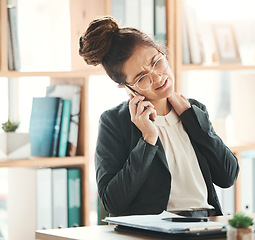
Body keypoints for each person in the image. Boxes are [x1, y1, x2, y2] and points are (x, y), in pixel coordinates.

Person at [79, 16, 239, 217]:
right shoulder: (114, 122)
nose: (157, 77)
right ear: (125, 86)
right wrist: (148, 140)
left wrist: (192, 119)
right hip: (154, 230)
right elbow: (113, 203)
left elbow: (228, 176)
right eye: (142, 77)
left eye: (157, 62)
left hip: (206, 225)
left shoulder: (193, 109)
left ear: (162, 52)